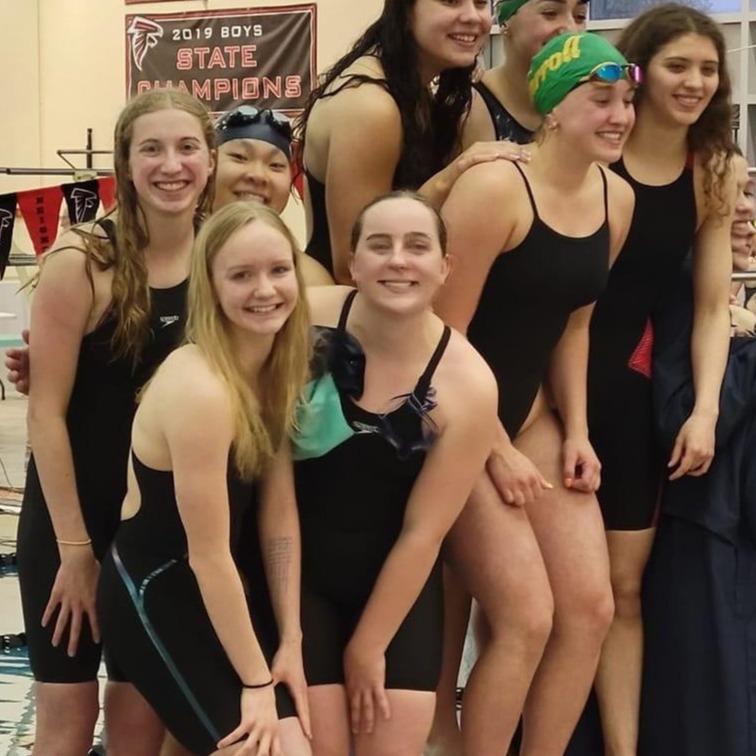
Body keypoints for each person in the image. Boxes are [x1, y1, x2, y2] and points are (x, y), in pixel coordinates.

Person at [431, 32, 637, 756]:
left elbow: (573, 326)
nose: (619, 116)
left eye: (625, 102)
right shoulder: (495, 191)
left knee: (590, 609)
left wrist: (576, 430)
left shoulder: (618, 197)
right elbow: (439, 341)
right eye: (600, 99)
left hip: (534, 416)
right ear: (552, 109)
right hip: (454, 422)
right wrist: (489, 448)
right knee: (526, 616)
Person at [15, 89, 215, 756]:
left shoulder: (224, 262)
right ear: (125, 165)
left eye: (187, 147)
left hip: (159, 533)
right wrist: (75, 552)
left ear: (210, 161)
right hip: (73, 516)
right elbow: (45, 414)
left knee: (140, 723)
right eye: (150, 149)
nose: (171, 164)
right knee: (68, 716)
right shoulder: (82, 261)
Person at [97, 202, 312, 756]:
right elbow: (208, 556)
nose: (265, 290)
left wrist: (289, 639)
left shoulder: (274, 366)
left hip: (211, 589)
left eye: (278, 270)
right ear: (211, 287)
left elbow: (279, 512)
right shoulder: (203, 390)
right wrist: (257, 682)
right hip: (155, 592)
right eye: (241, 276)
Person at [294, 191, 498, 755]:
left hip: (396, 587)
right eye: (379, 246)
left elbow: (425, 531)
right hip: (294, 579)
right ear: (353, 263)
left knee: (395, 734)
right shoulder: (299, 318)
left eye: (417, 246)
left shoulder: (468, 385)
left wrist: (369, 644)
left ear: (444, 267)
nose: (398, 261)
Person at [584, 6, 736, 754]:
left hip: (628, 398)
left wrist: (705, 409)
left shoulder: (711, 165)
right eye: (679, 65)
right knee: (537, 596)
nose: (696, 82)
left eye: (708, 69)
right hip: (549, 392)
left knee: (623, 592)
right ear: (638, 71)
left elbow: (711, 304)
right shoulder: (590, 150)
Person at [636, 151, 756, 756]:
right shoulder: (684, 293)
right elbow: (678, 414)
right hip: (707, 523)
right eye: (727, 193)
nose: (742, 211)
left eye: (749, 192)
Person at [296, 0, 528, 283]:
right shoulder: (370, 106)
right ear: (405, 10)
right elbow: (354, 265)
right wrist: (450, 176)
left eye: (480, 3)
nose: (472, 16)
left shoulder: (413, 90)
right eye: (451, 1)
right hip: (347, 317)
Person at [463, 0, 589, 146]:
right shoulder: (471, 107)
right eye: (550, 13)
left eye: (580, 16)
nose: (571, 30)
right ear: (505, 22)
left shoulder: (588, 101)